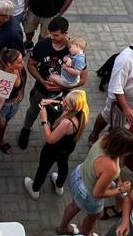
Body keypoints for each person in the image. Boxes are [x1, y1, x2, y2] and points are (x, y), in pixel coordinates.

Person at [56, 127, 133, 236]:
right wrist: (121, 189)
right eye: (128, 151)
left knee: (74, 205)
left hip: (79, 175)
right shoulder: (110, 167)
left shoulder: (104, 139)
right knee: (94, 216)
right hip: (87, 192)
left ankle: (63, 228)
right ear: (121, 149)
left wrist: (117, 179)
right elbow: (97, 193)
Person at [18, 17, 87, 149]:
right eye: (50, 34)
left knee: (56, 118)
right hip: (40, 90)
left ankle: (52, 135)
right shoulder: (43, 45)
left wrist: (63, 86)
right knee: (32, 111)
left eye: (56, 35)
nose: (52, 37)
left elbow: (83, 79)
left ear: (65, 33)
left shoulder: (74, 51)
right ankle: (26, 129)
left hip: (62, 96)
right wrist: (42, 82)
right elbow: (31, 65)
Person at [24, 89, 89, 200]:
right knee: (63, 165)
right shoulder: (82, 112)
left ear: (74, 107)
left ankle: (35, 189)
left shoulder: (67, 122)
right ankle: (59, 185)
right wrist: (50, 101)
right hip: (67, 148)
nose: (63, 104)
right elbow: (63, 103)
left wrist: (44, 120)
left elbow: (50, 139)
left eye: (67, 104)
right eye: (64, 100)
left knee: (44, 167)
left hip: (54, 149)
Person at [0, 49, 26, 154]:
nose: (23, 63)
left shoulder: (19, 69)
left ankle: (0, 140)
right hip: (0, 107)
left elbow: (24, 77)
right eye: (20, 62)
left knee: (4, 124)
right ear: (9, 64)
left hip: (14, 104)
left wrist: (21, 92)